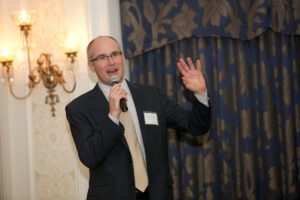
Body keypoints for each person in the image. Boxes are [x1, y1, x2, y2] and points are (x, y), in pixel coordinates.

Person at [65, 36, 211, 200]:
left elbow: (196, 126)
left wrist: (200, 94)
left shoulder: (151, 95)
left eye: (115, 54)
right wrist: (112, 117)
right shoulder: (79, 108)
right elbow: (89, 157)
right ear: (91, 66)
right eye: (102, 57)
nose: (111, 61)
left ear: (122, 58)